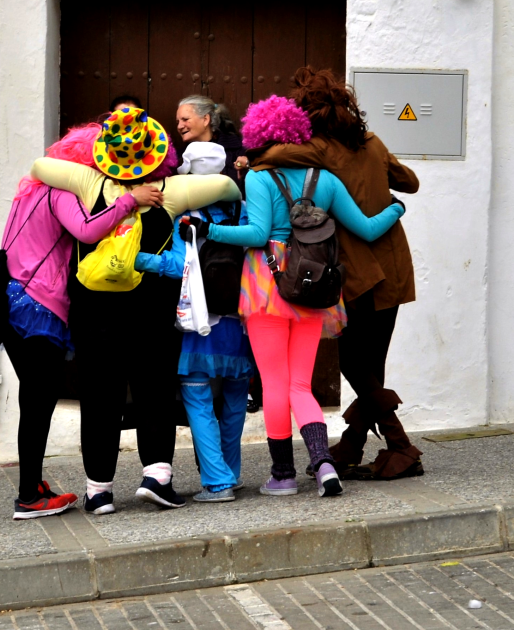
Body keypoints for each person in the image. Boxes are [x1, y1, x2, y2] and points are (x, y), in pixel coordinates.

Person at [185, 95, 406, 499]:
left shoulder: (259, 177)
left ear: (260, 133)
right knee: (301, 384)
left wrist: (207, 232)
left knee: (274, 383)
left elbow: (256, 234)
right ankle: (324, 466)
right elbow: (369, 229)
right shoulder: (326, 180)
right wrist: (395, 210)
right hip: (315, 286)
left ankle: (284, 475)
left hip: (267, 286)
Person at [29, 107, 241, 515]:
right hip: (151, 312)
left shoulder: (90, 182)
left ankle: (99, 491)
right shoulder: (171, 190)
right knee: (155, 391)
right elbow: (228, 188)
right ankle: (157, 477)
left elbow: (40, 167)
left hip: (95, 313)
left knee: (99, 397)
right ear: (154, 150)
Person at [247, 67, 422, 480]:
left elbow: (269, 159)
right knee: (371, 365)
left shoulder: (316, 149)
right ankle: (352, 445)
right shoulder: (372, 142)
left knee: (353, 365)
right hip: (395, 264)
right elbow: (409, 183)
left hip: (357, 271)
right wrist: (390, 194)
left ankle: (400, 447)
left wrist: (255, 155)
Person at [1, 124, 162, 520]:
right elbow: (87, 229)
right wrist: (129, 201)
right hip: (38, 304)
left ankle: (34, 484)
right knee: (40, 398)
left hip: (10, 297)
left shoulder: (28, 192)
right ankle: (28, 496)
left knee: (34, 396)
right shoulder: (61, 194)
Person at [135, 142, 252, 503]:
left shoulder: (184, 214)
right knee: (234, 399)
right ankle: (230, 473)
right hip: (239, 317)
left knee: (198, 399)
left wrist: (137, 259)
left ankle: (217, 483)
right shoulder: (242, 209)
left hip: (200, 320)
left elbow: (177, 266)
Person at [176, 96, 248, 190]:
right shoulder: (179, 158)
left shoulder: (239, 151)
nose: (179, 126)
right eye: (178, 122)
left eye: (185, 119)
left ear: (205, 119)